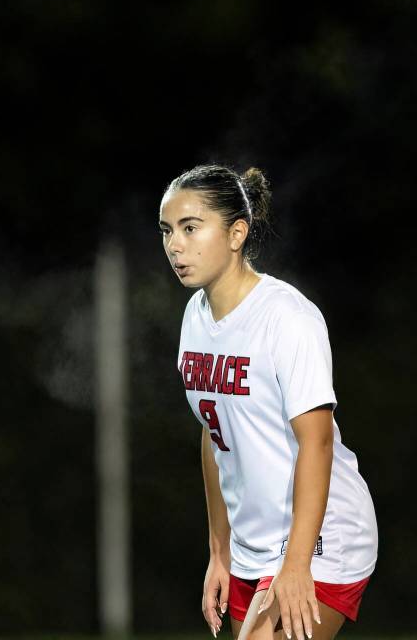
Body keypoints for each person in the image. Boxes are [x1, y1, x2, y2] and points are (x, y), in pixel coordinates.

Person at [159, 164, 378, 640]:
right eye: (168, 230)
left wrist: (297, 564)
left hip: (321, 536)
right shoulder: (195, 319)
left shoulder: (287, 318)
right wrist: (220, 551)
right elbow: (216, 435)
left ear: (236, 233)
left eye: (191, 228)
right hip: (253, 543)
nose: (175, 244)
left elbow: (316, 443)